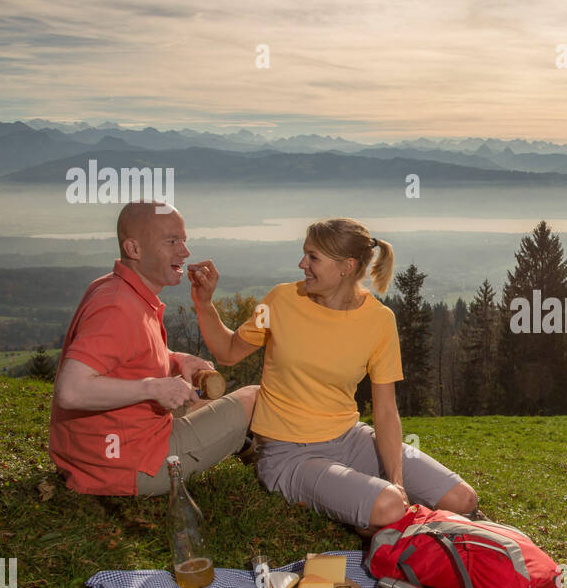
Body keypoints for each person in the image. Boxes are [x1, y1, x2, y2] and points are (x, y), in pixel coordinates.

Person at [188, 218, 478, 536]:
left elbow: (385, 409)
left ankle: (406, 526)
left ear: (346, 266)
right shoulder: (280, 300)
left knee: (462, 499)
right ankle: (391, 524)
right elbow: (229, 352)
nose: (302, 264)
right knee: (389, 506)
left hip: (350, 439)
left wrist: (396, 478)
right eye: (305, 254)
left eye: (313, 257)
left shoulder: (380, 321)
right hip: (290, 454)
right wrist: (204, 303)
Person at [49, 202, 259, 496]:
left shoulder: (117, 288)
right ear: (134, 249)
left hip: (94, 455)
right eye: (172, 241)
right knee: (255, 396)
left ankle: (252, 449)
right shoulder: (117, 307)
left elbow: (128, 357)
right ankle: (279, 468)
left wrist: (177, 359)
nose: (185, 252)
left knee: (203, 401)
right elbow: (70, 391)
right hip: (123, 465)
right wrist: (153, 388)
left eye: (184, 240)